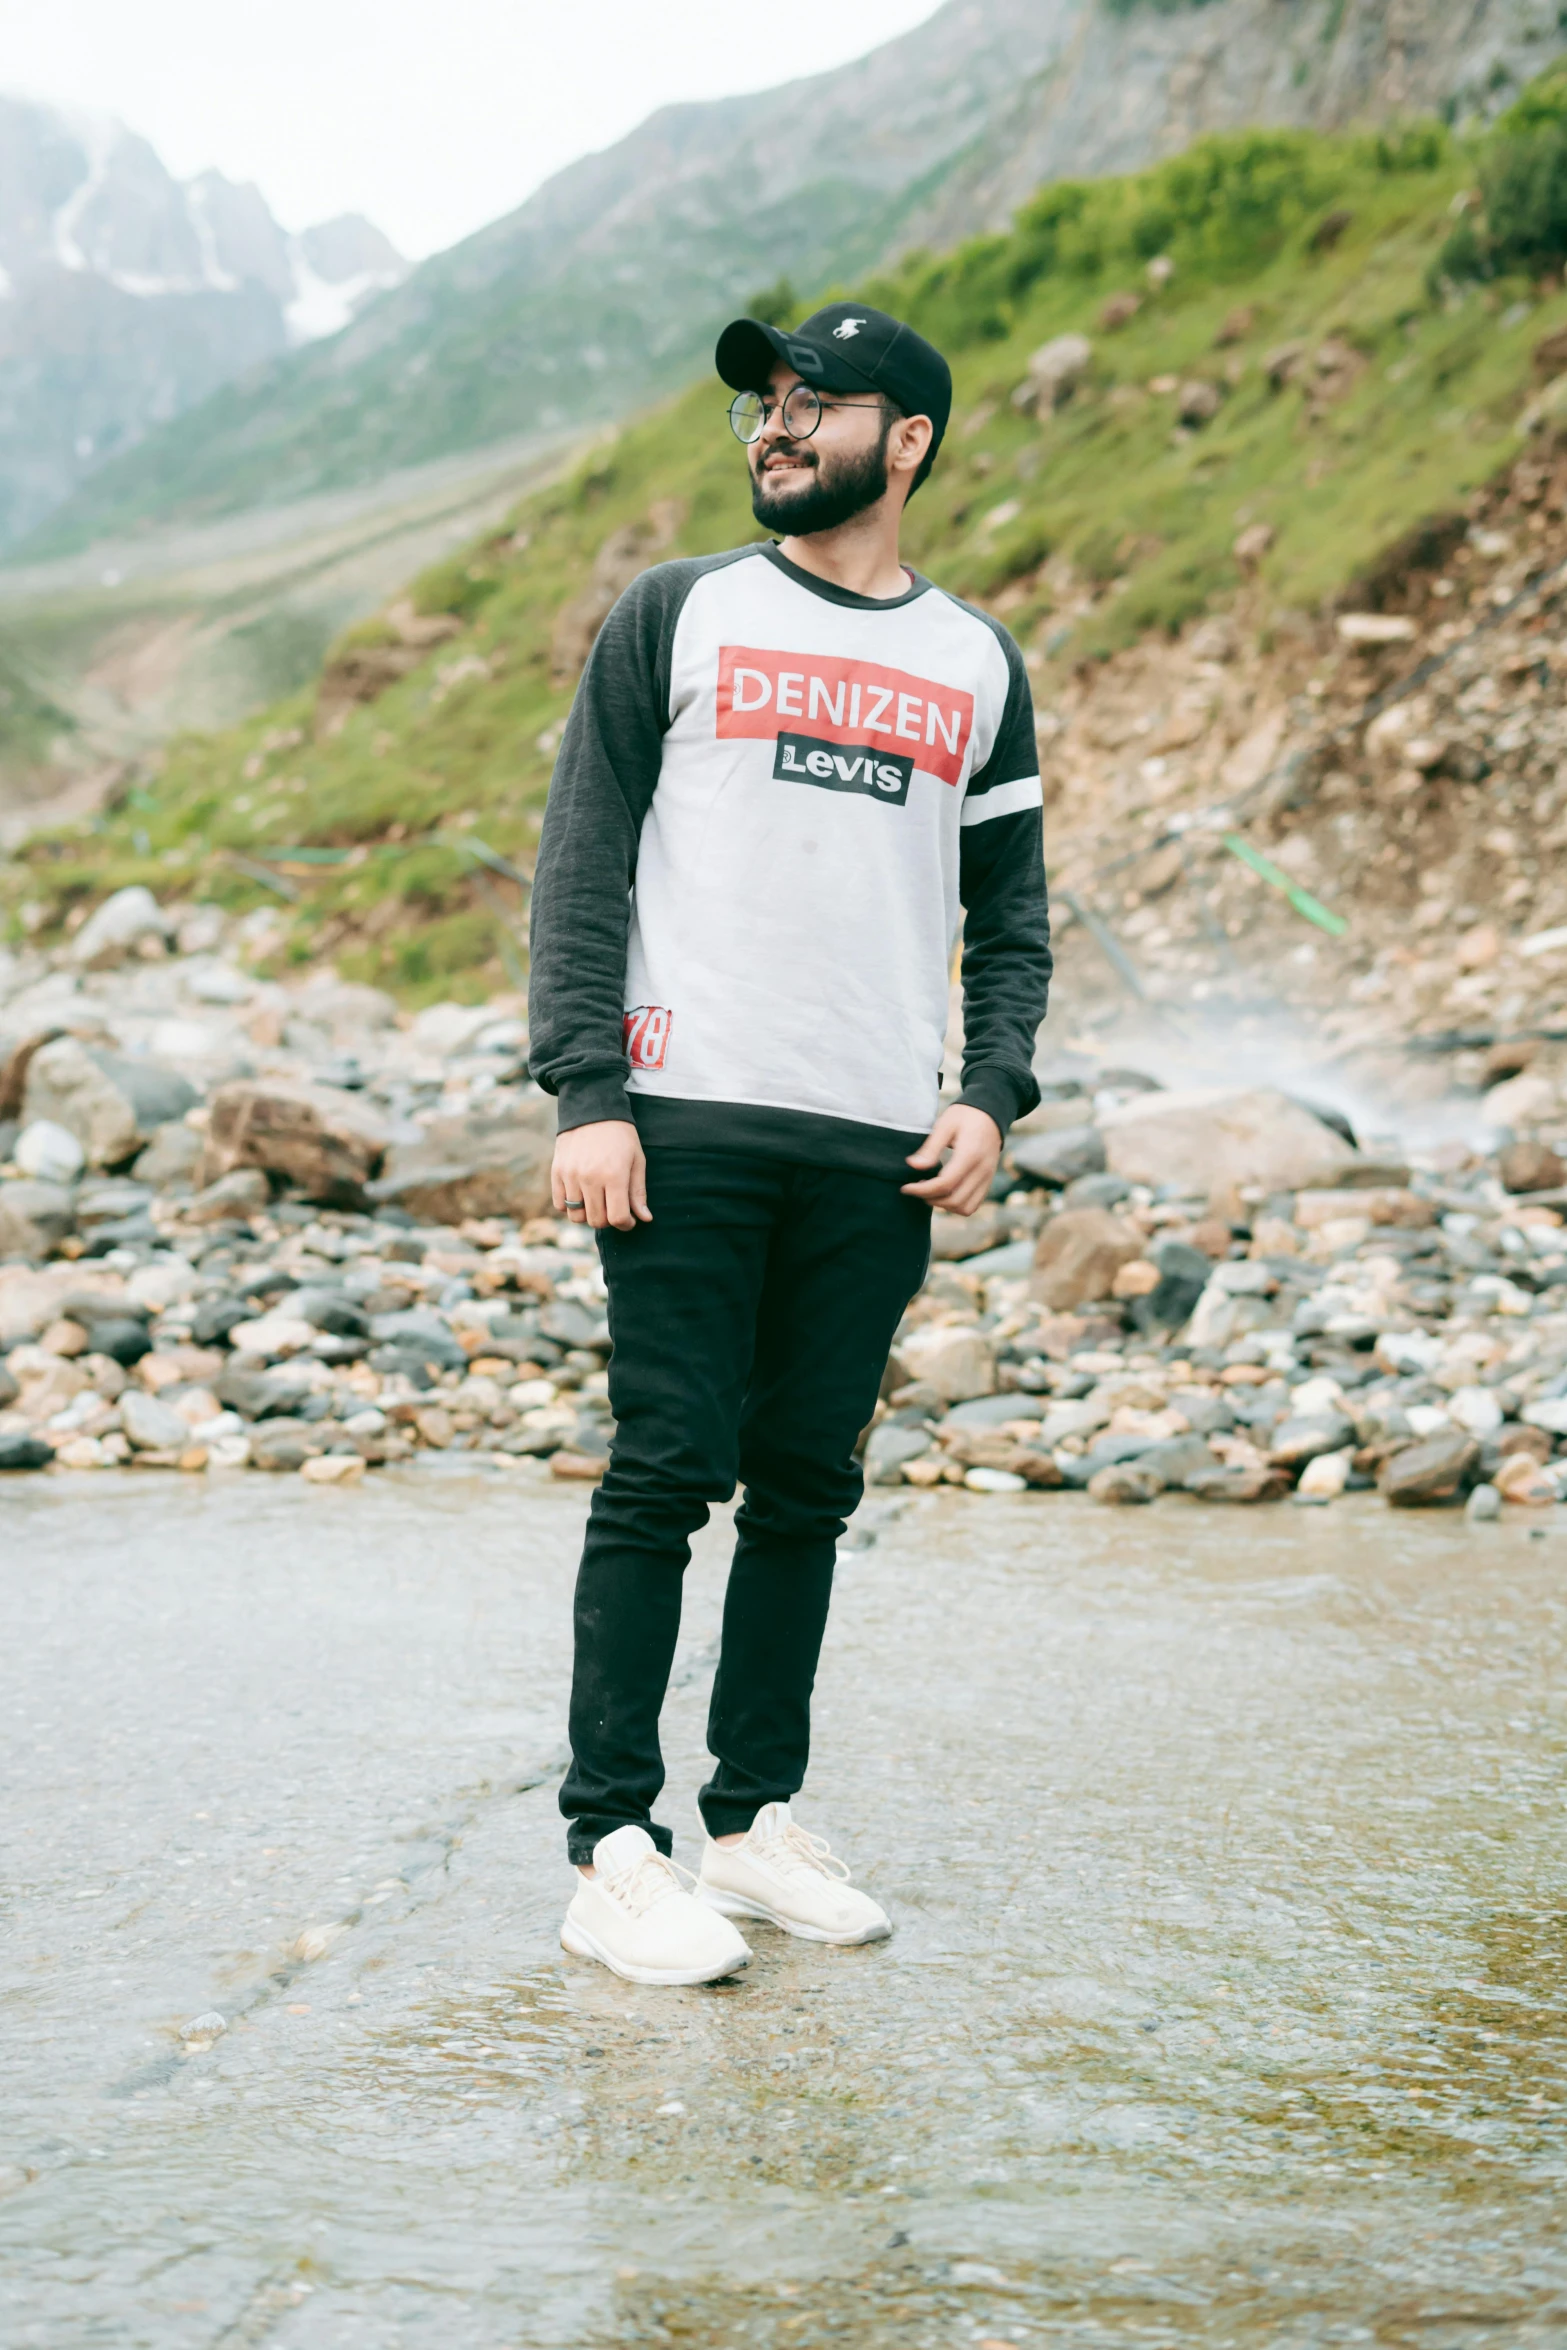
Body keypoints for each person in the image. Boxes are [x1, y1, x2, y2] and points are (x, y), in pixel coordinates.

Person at [527, 299, 1051, 1986]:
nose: (772, 425)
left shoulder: (975, 662)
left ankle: (745, 1823)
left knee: (809, 1487)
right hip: (685, 1116)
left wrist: (989, 1087)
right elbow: (582, 862)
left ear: (903, 440)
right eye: (761, 401)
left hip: (876, 1137)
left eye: (811, 403)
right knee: (665, 1467)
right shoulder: (677, 612)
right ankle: (611, 1842)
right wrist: (585, 1094)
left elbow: (1012, 910)